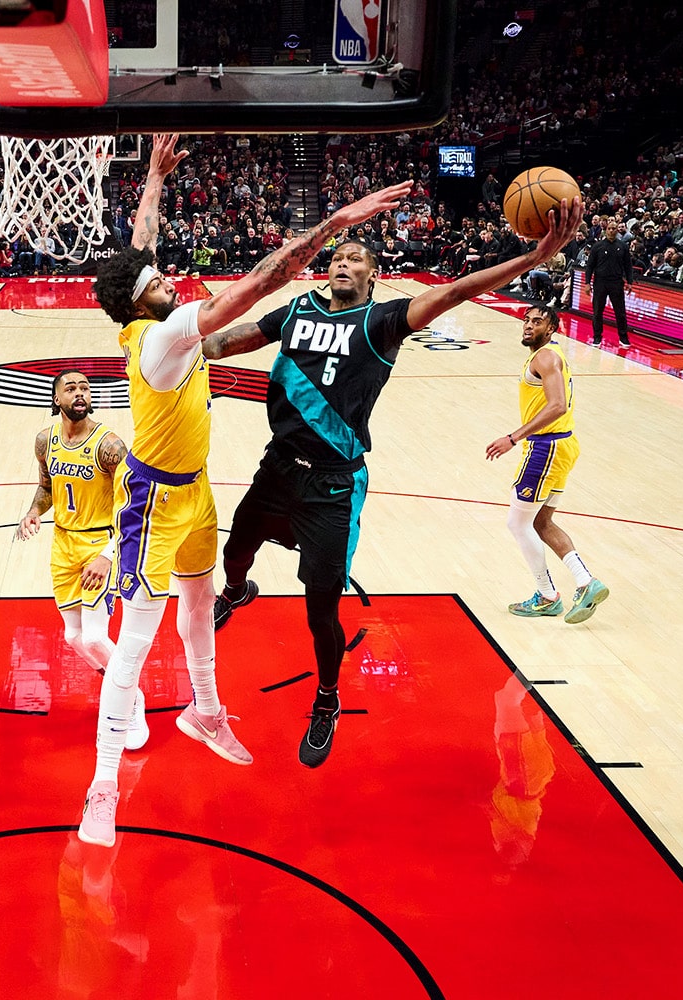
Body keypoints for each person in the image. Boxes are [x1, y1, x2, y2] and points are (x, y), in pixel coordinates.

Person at [75, 133, 412, 848]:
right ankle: (102, 786)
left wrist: (154, 184)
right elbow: (263, 282)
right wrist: (334, 225)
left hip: (194, 491)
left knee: (200, 610)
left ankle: (206, 714)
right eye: (161, 283)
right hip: (153, 502)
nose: (171, 279)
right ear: (146, 306)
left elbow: (140, 254)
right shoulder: (162, 336)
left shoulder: (146, 311)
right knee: (136, 641)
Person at [205, 191, 583, 770]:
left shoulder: (382, 321)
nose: (341, 261)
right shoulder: (297, 311)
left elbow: (456, 291)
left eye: (355, 257)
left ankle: (326, 699)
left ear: (374, 275)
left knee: (320, 609)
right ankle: (237, 592)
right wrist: (180, 344)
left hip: (334, 483)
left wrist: (532, 259)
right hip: (277, 465)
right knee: (236, 549)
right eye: (336, 255)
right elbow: (235, 338)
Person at [16, 371, 148, 751]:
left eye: (85, 388)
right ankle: (117, 682)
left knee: (93, 635)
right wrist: (33, 512)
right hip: (63, 545)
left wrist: (109, 556)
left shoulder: (109, 446)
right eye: (71, 388)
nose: (80, 393)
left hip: (100, 545)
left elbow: (133, 504)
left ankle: (131, 698)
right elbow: (46, 488)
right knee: (73, 637)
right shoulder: (46, 441)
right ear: (56, 398)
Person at [485, 304, 610, 624]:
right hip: (562, 445)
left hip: (546, 448)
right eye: (526, 320)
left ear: (552, 329)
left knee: (518, 523)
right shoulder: (547, 354)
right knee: (541, 523)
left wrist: (513, 438)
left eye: (537, 322)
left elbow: (557, 405)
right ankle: (585, 582)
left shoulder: (545, 357)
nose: (528, 326)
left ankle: (547, 595)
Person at [584, 219, 633, 347]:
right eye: (609, 228)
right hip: (600, 282)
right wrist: (587, 282)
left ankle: (623, 337)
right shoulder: (598, 246)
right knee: (597, 311)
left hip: (616, 282)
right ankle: (597, 337)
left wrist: (630, 281)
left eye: (614, 229)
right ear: (606, 231)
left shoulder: (623, 246)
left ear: (617, 231)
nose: (611, 231)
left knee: (620, 312)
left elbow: (628, 266)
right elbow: (590, 266)